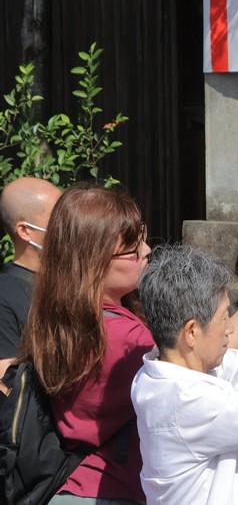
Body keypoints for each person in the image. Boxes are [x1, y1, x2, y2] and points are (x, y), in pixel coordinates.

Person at [17, 183, 154, 503]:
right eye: (133, 247)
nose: (147, 250)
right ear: (94, 260)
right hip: (109, 490)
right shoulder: (126, 339)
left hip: (73, 485)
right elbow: (198, 372)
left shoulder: (59, 319)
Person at [132, 244, 238, 505]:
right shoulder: (188, 400)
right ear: (191, 332)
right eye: (224, 317)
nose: (231, 328)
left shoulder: (157, 373)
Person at [0, 177, 61, 380]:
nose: (67, 224)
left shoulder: (70, 282)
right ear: (25, 230)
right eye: (58, 216)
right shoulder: (4, 297)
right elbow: (8, 385)